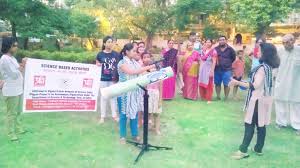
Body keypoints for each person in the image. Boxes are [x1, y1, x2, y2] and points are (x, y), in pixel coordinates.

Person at [230, 43, 280, 159]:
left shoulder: (262, 68)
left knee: (249, 124)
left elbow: (255, 85)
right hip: (266, 98)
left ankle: (242, 150)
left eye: (259, 50)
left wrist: (237, 82)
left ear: (265, 53)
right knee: (261, 124)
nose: (257, 51)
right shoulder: (272, 67)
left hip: (258, 99)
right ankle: (258, 148)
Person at [117, 43, 155, 144]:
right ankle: (122, 136)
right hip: (124, 93)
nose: (135, 53)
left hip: (134, 92)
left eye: (135, 51)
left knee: (134, 113)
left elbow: (140, 73)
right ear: (126, 52)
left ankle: (135, 134)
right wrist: (148, 67)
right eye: (133, 51)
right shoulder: (121, 63)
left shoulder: (135, 62)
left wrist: (151, 70)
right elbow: (132, 72)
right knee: (123, 114)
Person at [0, 37, 27, 141]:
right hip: (11, 91)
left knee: (18, 111)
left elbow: (17, 69)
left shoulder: (13, 58)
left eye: (16, 45)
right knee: (11, 113)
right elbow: (14, 74)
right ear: (8, 46)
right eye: (14, 45)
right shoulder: (4, 59)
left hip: (18, 89)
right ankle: (11, 134)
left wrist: (21, 65)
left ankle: (18, 128)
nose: (17, 47)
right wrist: (23, 65)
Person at [274, 34, 300, 135]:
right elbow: (275, 65)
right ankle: (281, 122)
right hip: (281, 80)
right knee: (280, 100)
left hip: (296, 82)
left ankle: (297, 125)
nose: (285, 45)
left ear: (293, 41)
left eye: (287, 42)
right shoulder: (280, 51)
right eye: (283, 42)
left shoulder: (299, 51)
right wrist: (274, 77)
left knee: (296, 102)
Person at [96, 36, 122, 124]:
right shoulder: (100, 54)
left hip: (113, 79)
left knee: (113, 97)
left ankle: (114, 115)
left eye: (111, 42)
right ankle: (102, 116)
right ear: (104, 43)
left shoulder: (117, 54)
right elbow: (97, 64)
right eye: (108, 42)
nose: (110, 43)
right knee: (103, 97)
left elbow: (120, 65)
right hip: (103, 79)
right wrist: (98, 65)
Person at [141, 51, 162, 135]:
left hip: (156, 93)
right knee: (148, 112)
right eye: (145, 57)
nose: (147, 59)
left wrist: (160, 99)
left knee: (157, 113)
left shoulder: (158, 72)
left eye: (148, 57)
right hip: (148, 94)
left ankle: (156, 129)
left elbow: (161, 86)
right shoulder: (143, 71)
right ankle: (148, 127)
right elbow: (144, 85)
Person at [214, 36, 236, 100]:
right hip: (217, 69)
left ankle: (226, 97)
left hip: (227, 70)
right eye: (220, 40)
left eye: (223, 40)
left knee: (226, 84)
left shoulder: (230, 49)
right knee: (217, 84)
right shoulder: (215, 49)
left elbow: (233, 58)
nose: (222, 41)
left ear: (226, 41)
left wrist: (227, 63)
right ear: (218, 41)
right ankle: (218, 96)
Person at [198, 39, 217, 104]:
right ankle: (203, 97)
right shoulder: (202, 51)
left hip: (209, 69)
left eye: (209, 42)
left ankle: (208, 98)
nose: (208, 43)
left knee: (209, 84)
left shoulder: (213, 51)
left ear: (211, 43)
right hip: (202, 69)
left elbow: (214, 62)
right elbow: (200, 60)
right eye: (207, 42)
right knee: (202, 82)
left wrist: (212, 71)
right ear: (205, 43)